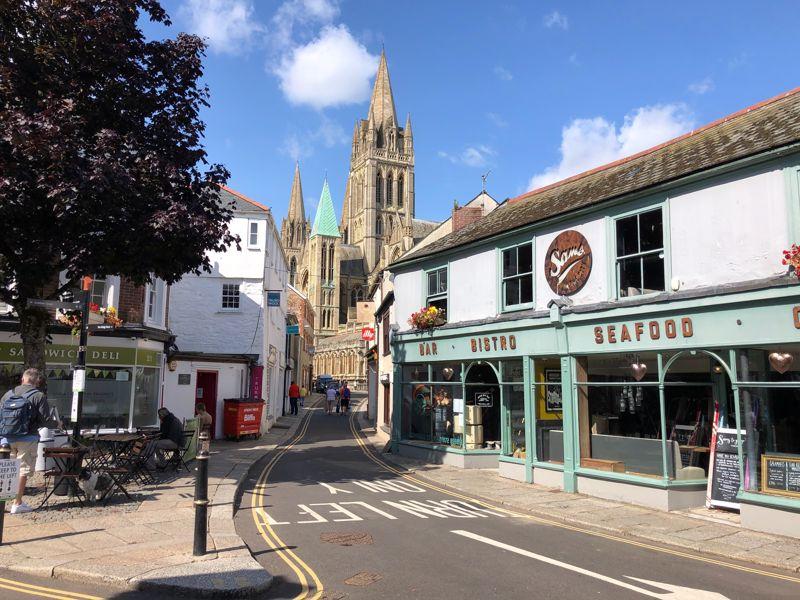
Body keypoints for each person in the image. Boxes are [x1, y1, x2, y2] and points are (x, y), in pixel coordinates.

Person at [0, 368, 56, 514]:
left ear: (23, 379)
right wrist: (58, 425)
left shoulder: (8, 394)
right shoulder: (38, 396)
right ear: (37, 381)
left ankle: (2, 504)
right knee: (22, 470)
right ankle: (17, 504)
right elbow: (46, 421)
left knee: (7, 470)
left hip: (6, 439)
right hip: (28, 438)